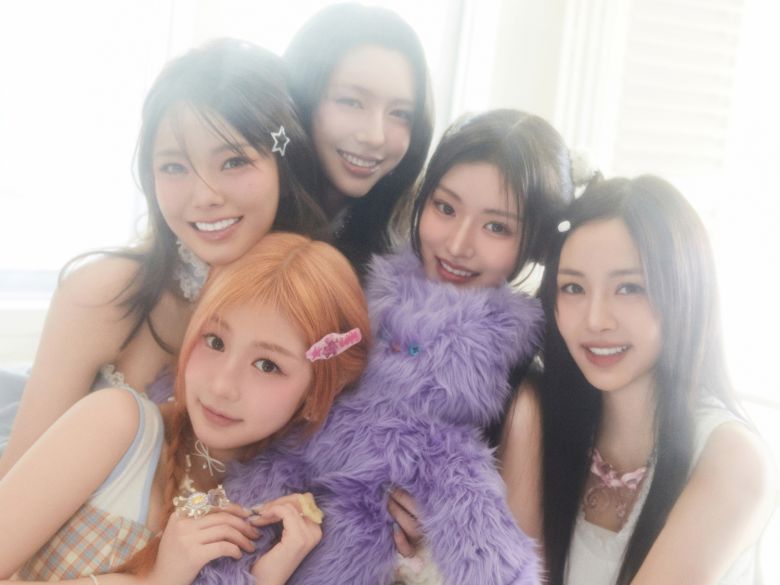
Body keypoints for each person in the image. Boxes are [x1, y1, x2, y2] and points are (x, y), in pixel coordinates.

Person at [196, 109, 574, 585]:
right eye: (445, 208)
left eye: (497, 227)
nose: (458, 244)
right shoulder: (353, 304)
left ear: (533, 243)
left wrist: (426, 557)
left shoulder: (518, 396)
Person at [0, 39, 326, 475]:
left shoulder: (316, 308)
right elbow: (15, 482)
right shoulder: (101, 293)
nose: (205, 196)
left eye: (233, 162)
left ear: (283, 169)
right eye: (174, 167)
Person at [0, 232, 371, 583]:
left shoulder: (281, 522)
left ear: (316, 395)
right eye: (215, 341)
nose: (222, 385)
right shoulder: (115, 424)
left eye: (267, 365)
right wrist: (155, 581)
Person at [501, 176, 774, 584]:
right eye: (573, 287)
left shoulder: (732, 459)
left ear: (683, 291)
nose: (596, 319)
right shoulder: (545, 420)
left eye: (629, 288)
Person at [283, 2, 434, 272]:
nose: (375, 137)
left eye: (400, 113)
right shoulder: (242, 216)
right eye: (351, 102)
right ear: (302, 98)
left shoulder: (411, 246)